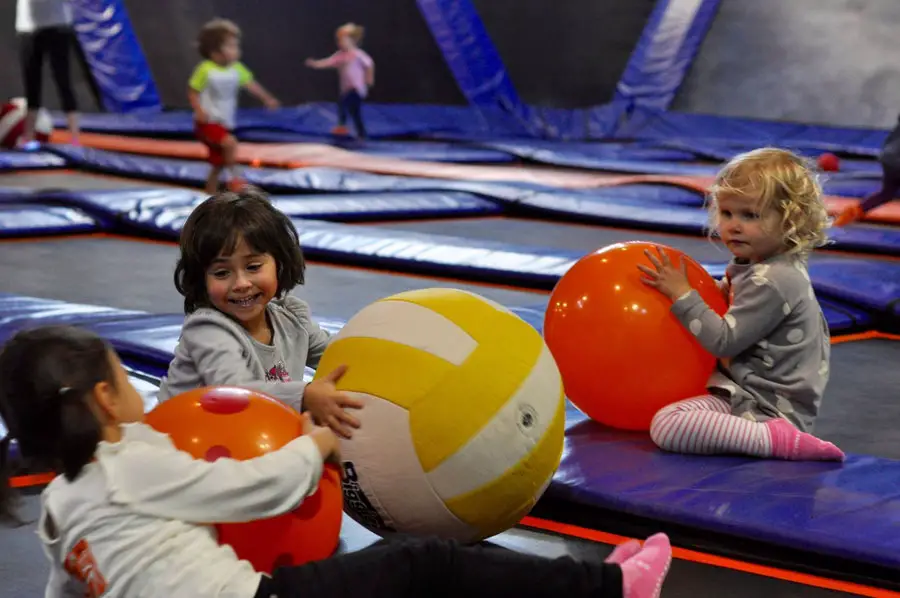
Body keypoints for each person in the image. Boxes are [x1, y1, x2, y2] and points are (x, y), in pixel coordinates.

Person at [0, 325, 673, 598]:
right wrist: (318, 442)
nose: (138, 389)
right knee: (421, 560)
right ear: (104, 400)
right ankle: (608, 590)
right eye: (126, 377)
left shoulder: (63, 499)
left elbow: (67, 589)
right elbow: (252, 489)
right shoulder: (132, 463)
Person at [637, 147, 845, 462]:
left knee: (668, 424)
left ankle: (776, 440)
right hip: (739, 391)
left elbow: (723, 341)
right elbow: (735, 302)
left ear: (790, 220)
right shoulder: (757, 265)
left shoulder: (774, 279)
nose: (733, 225)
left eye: (750, 215)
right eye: (727, 213)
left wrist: (683, 295)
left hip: (763, 406)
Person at [157, 188, 363, 439]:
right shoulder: (207, 330)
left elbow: (338, 356)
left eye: (253, 267)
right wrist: (305, 395)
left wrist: (383, 357)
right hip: (183, 442)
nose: (241, 283)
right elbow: (234, 392)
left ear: (280, 262)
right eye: (222, 273)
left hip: (249, 435)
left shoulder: (291, 319)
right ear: (201, 280)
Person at [190, 18, 280, 195]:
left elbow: (251, 84)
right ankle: (235, 179)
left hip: (224, 122)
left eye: (236, 46)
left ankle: (209, 192)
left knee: (218, 163)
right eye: (230, 46)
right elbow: (193, 91)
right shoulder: (205, 69)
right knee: (230, 144)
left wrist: (267, 99)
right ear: (214, 51)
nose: (236, 51)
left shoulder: (236, 68)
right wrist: (199, 110)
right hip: (207, 121)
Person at [15, 0, 80, 146]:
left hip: (57, 24)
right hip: (28, 26)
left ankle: (74, 137)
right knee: (31, 84)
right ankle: (29, 136)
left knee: (63, 81)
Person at [305, 23, 375, 139]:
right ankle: (362, 133)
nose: (340, 43)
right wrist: (315, 64)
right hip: (346, 88)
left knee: (343, 104)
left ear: (352, 40)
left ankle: (341, 126)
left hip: (357, 88)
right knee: (354, 112)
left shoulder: (358, 55)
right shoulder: (341, 55)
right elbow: (328, 62)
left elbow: (369, 65)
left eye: (343, 40)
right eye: (339, 40)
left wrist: (369, 80)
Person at [832, 118, 900, 226]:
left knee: (886, 193)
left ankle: (849, 215)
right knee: (887, 193)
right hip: (895, 158)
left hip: (888, 156)